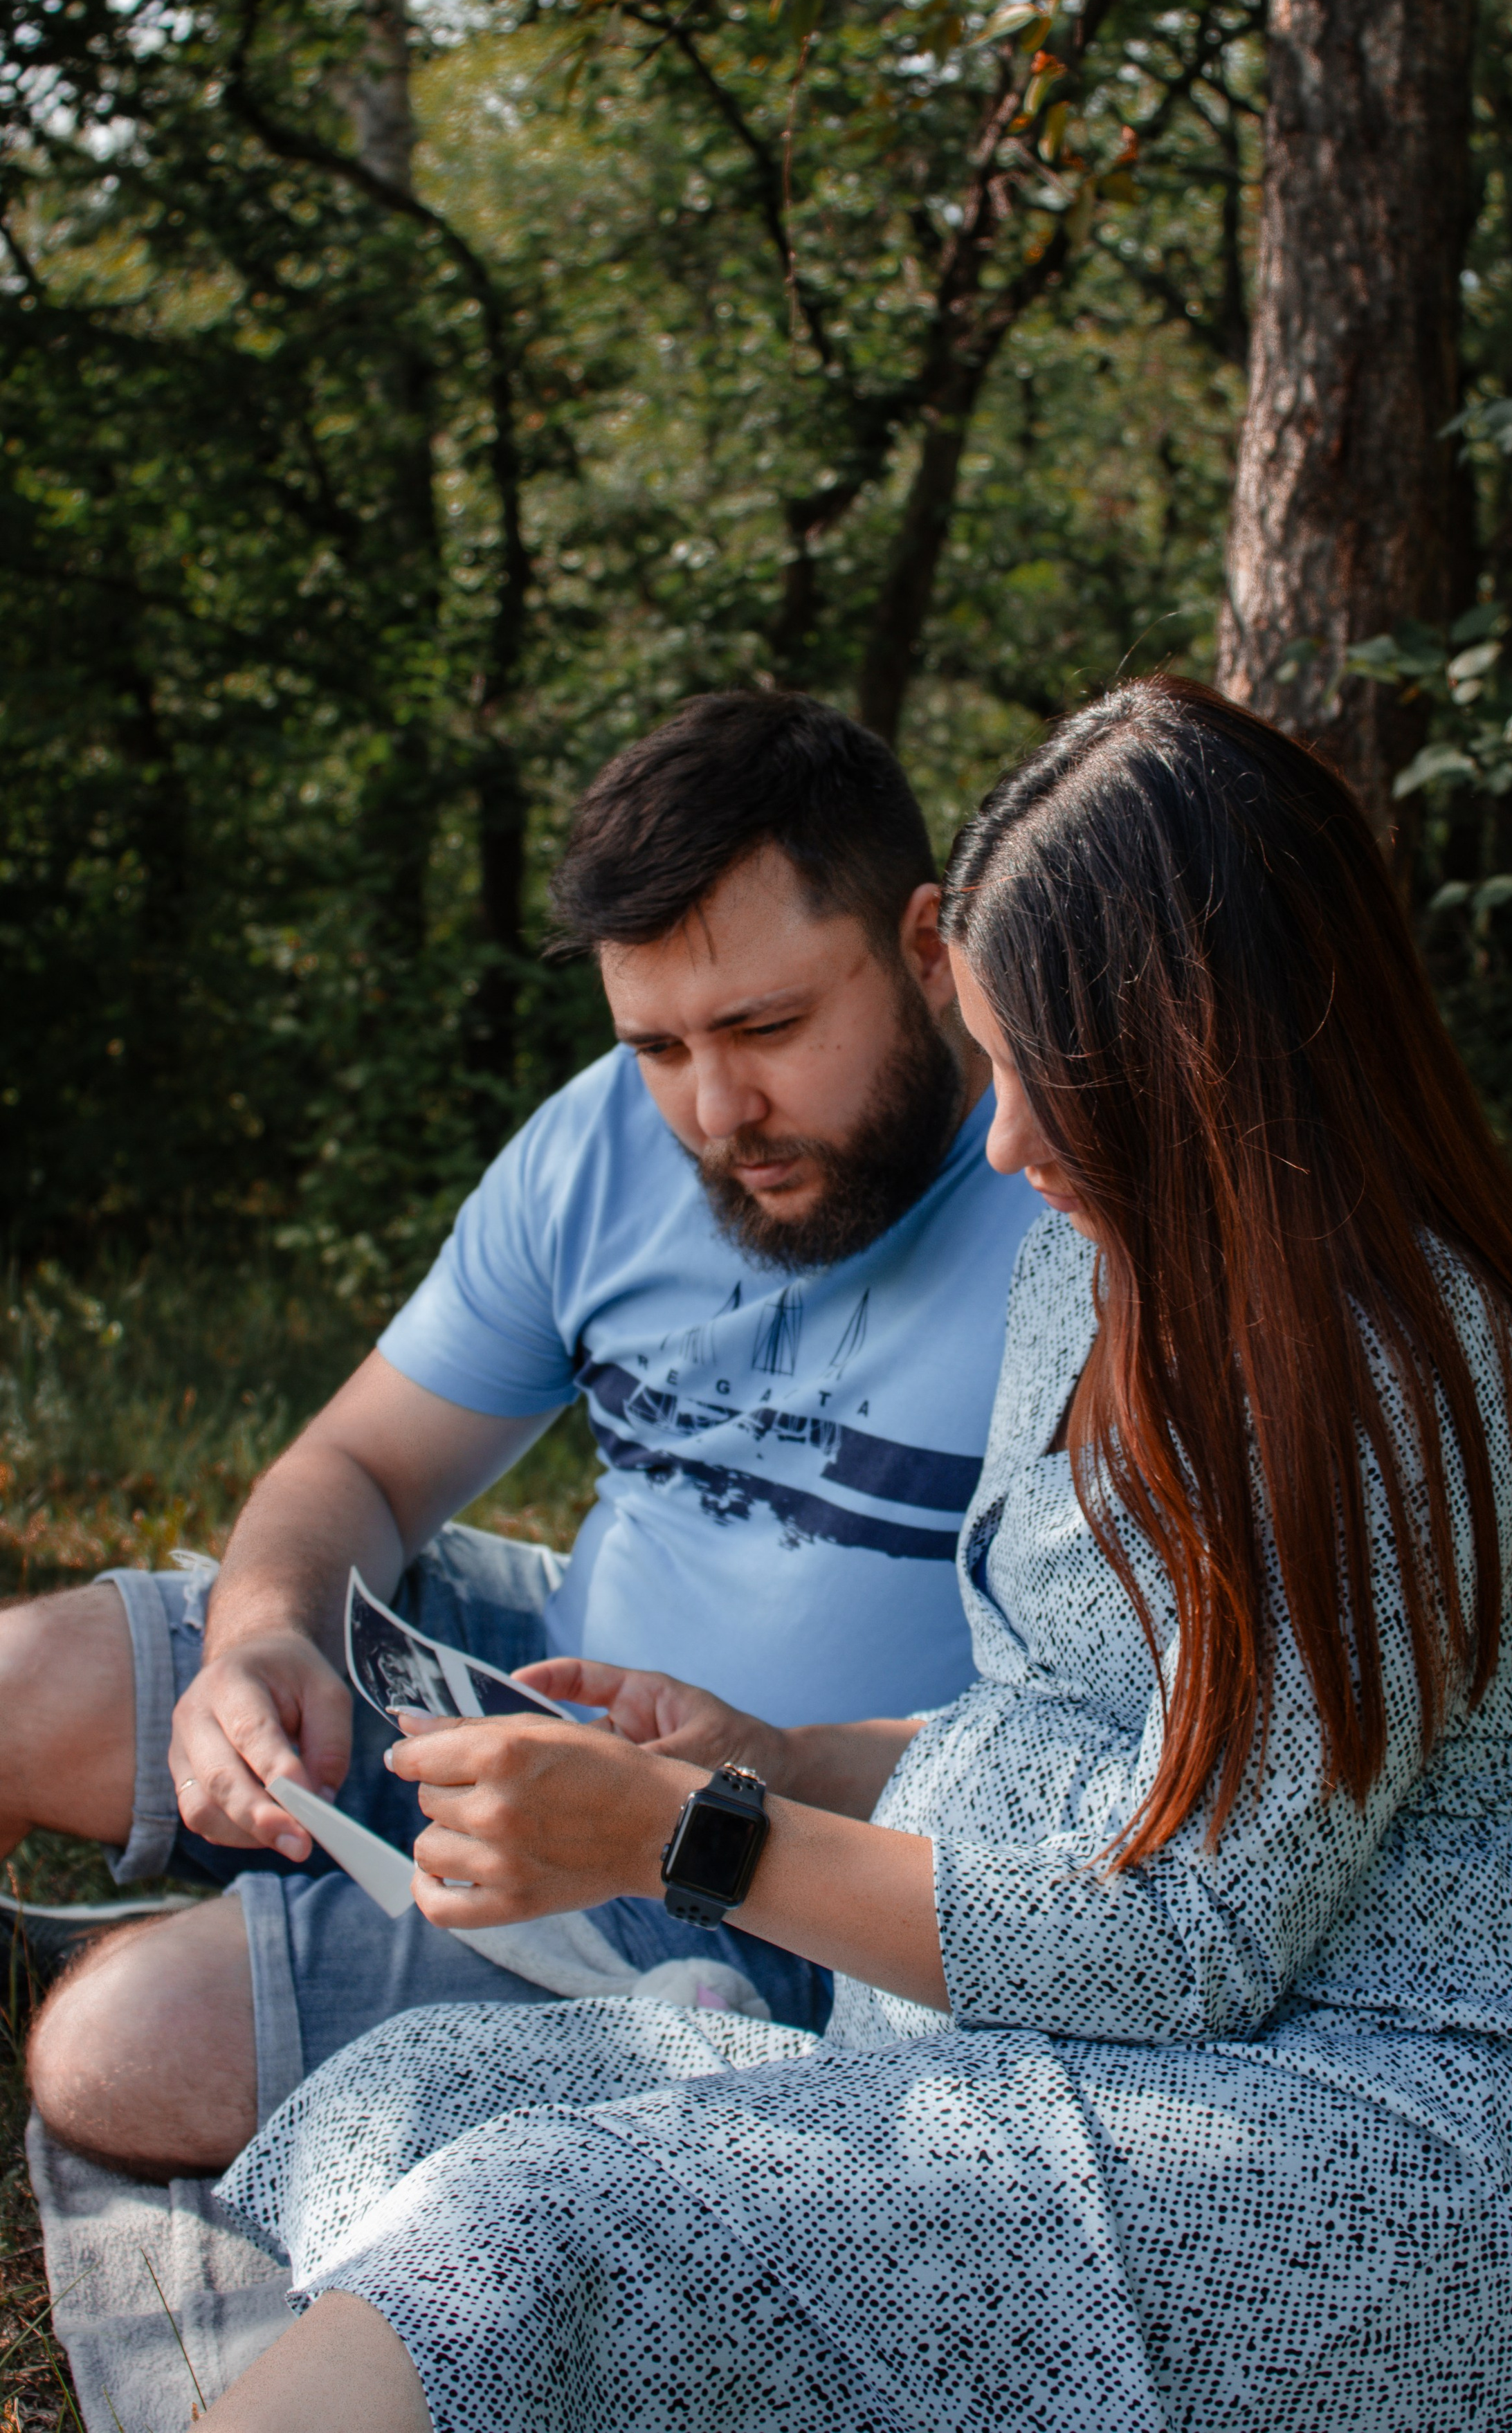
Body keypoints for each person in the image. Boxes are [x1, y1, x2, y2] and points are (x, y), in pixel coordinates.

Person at [196, 677, 1512, 2433]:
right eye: (1001, 1063)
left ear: (1214, 1055)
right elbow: (1080, 1730)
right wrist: (779, 1757)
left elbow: (1188, 1933)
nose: (1008, 1135)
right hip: (1046, 2056)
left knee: (530, 2233)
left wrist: (689, 1838)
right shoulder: (1095, 1255)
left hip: (1351, 2137)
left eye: (1052, 1077)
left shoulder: (1385, 1373)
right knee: (417, 2102)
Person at [13, 693, 1037, 2176]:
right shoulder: (601, 1139)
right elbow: (355, 1467)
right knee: (25, 1680)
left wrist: (776, 1771)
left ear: (927, 947)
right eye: (658, 1045)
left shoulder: (1072, 1200)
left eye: (767, 1026)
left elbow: (1143, 1752)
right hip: (513, 1693)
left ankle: (173, 1961)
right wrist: (261, 1639)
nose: (714, 1109)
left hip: (771, 1879)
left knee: (119, 2053)